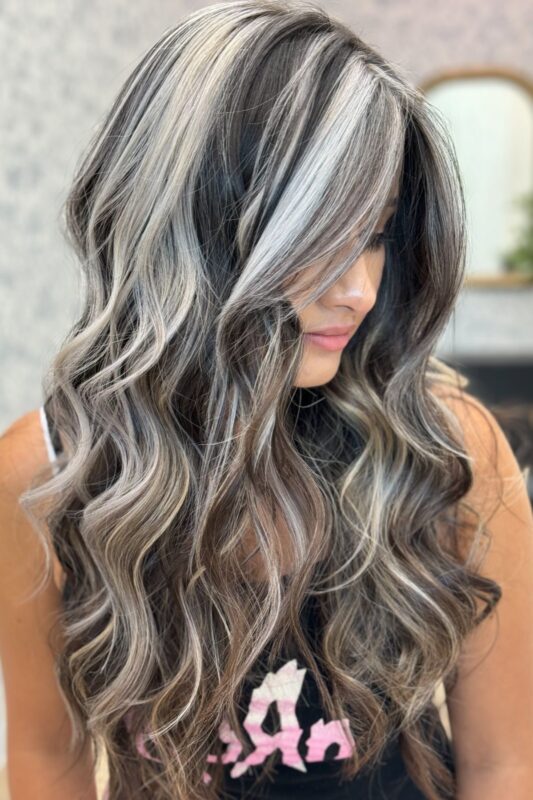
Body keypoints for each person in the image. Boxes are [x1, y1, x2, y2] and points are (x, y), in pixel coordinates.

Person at [1, 1, 532, 798]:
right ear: (195, 229)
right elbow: (48, 759)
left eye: (376, 232)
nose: (356, 290)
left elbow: (504, 764)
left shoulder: (449, 450)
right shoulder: (44, 477)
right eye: (317, 235)